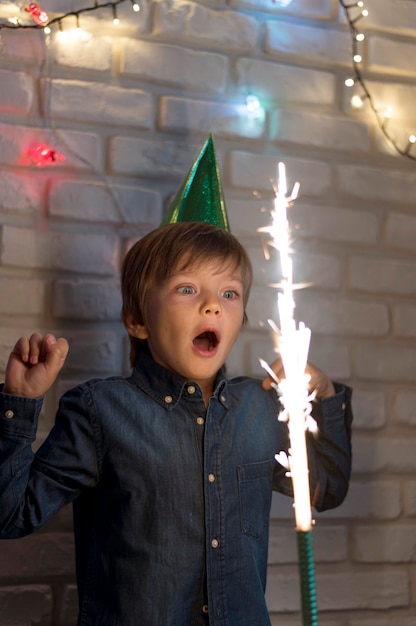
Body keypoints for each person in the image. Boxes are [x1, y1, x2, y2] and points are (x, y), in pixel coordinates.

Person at [0, 136, 352, 625]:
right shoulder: (101, 411)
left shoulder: (260, 408)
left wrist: (325, 397)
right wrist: (18, 404)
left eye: (228, 293)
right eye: (188, 289)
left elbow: (326, 488)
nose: (212, 304)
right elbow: (11, 514)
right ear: (138, 319)